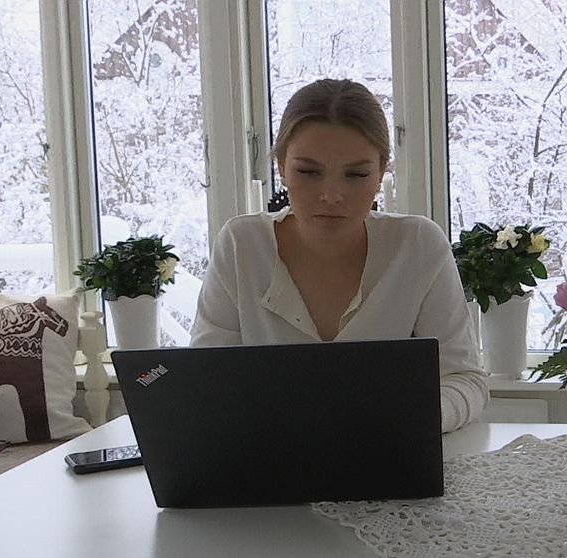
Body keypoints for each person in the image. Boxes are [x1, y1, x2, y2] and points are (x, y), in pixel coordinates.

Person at [190, 78, 488, 433]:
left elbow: (464, 380)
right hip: (270, 468)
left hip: (390, 458)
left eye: (356, 174)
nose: (331, 195)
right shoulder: (241, 244)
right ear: (281, 166)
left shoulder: (419, 244)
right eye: (309, 172)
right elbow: (204, 383)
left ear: (381, 174)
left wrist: (409, 417)